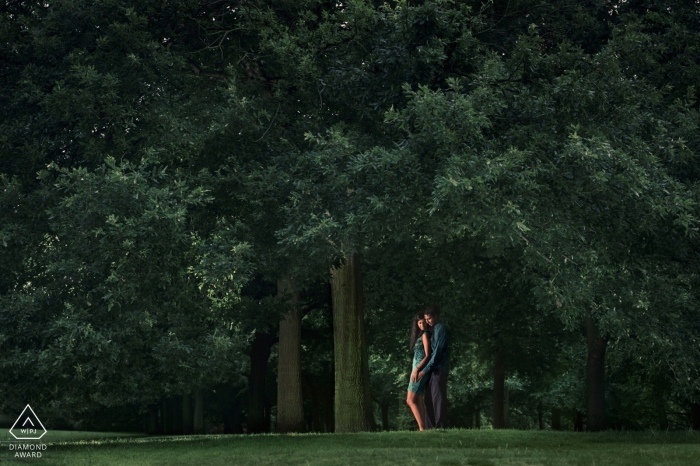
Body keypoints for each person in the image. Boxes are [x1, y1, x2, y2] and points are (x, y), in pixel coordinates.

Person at [415, 304, 449, 429]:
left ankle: (440, 427)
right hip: (433, 370)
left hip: (439, 369)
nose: (427, 321)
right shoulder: (433, 329)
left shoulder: (440, 329)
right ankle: (430, 427)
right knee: (429, 398)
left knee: (437, 399)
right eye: (426, 319)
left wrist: (424, 370)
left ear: (436, 316)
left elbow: (437, 353)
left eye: (429, 318)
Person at [406, 313, 431, 431]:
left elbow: (427, 355)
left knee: (410, 400)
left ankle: (422, 428)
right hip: (416, 370)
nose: (422, 324)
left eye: (424, 322)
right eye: (419, 323)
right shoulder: (420, 335)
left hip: (419, 371)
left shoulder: (425, 335)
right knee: (418, 400)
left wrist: (416, 369)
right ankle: (423, 428)